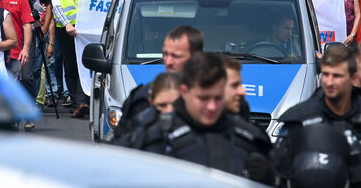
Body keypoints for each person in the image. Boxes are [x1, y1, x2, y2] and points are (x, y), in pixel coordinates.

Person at [115, 52, 274, 184]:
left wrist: (268, 175)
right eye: (203, 99)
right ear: (184, 92)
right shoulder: (150, 136)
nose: (211, 107)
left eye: (218, 98)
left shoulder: (249, 137)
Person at [273, 46, 361, 187]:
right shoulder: (299, 118)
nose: (329, 82)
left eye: (337, 76)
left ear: (354, 78)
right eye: (326, 74)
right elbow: (279, 172)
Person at [115, 26, 205, 138]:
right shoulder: (142, 97)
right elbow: (122, 139)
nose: (168, 61)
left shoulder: (212, 96)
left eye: (176, 56)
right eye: (166, 54)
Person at [48, 0, 95, 118]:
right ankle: (77, 101)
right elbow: (56, 5)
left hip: (85, 29)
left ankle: (85, 100)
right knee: (70, 65)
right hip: (66, 30)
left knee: (85, 64)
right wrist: (67, 24)